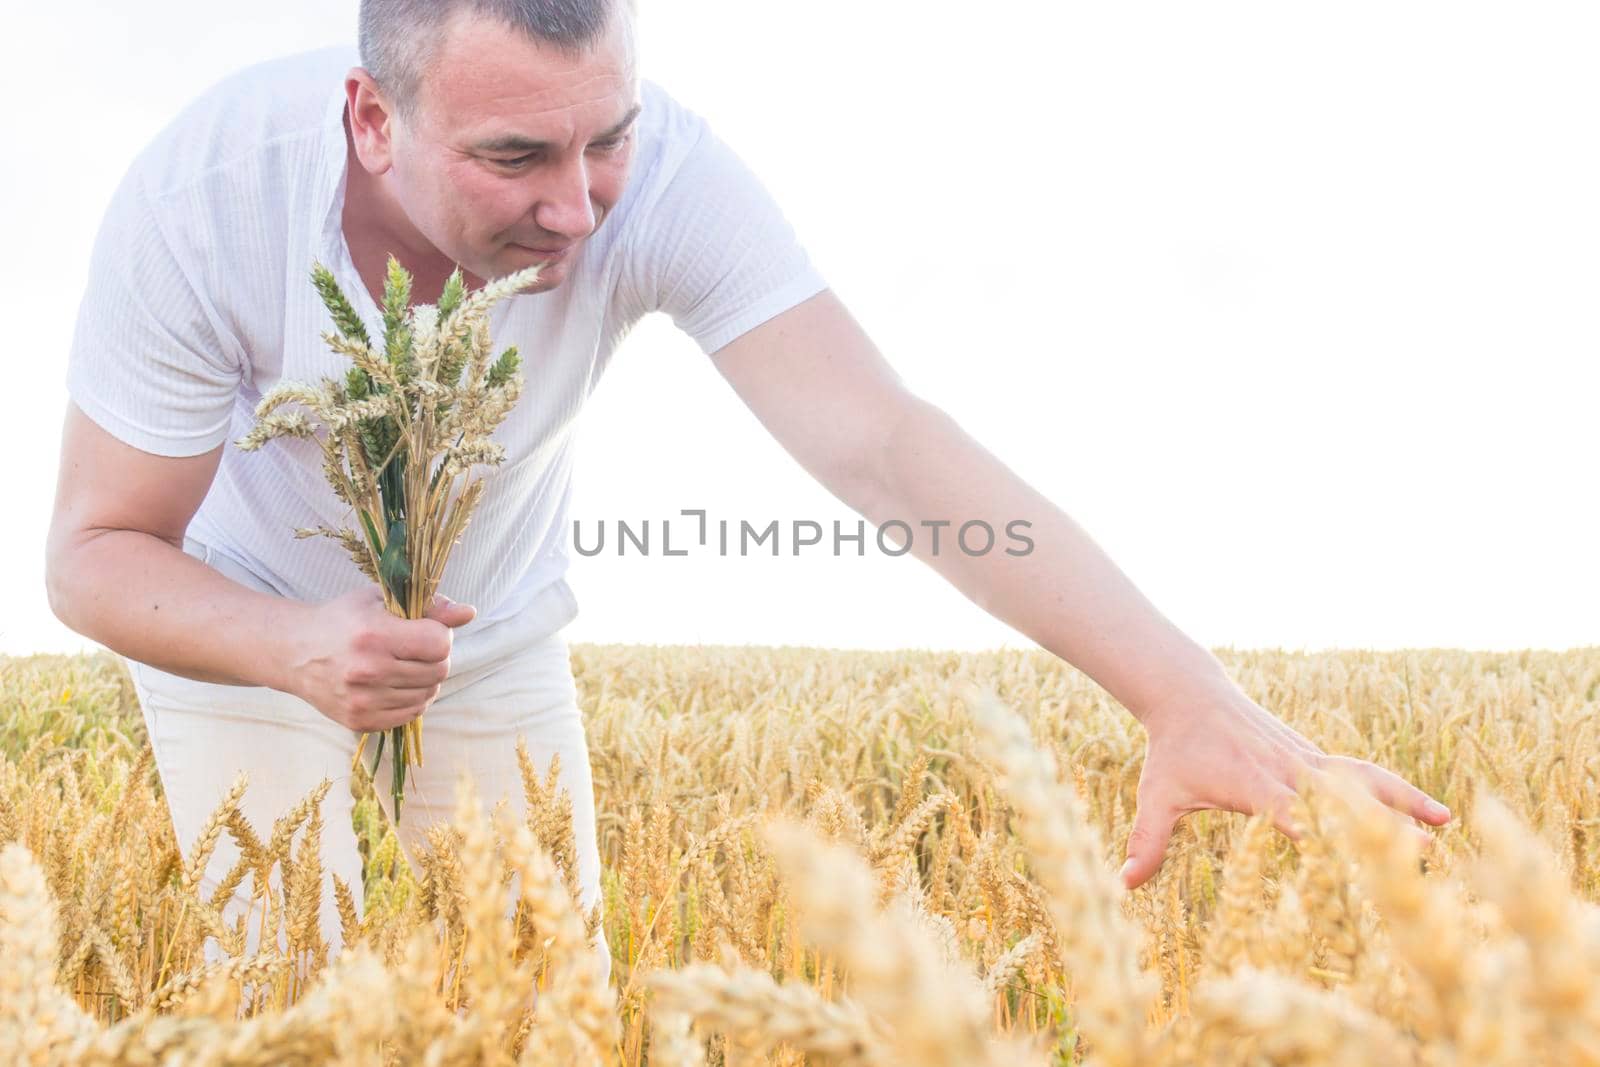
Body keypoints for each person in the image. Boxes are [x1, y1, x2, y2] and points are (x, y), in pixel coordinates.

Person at [45, 0, 1450, 976]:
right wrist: (294, 643)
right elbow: (96, 552)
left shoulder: (662, 185)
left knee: (554, 1009)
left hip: (494, 638)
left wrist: (1182, 697)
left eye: (609, 138)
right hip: (235, 630)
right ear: (369, 120)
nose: (579, 210)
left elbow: (889, 446)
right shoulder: (205, 206)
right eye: (514, 157)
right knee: (285, 993)